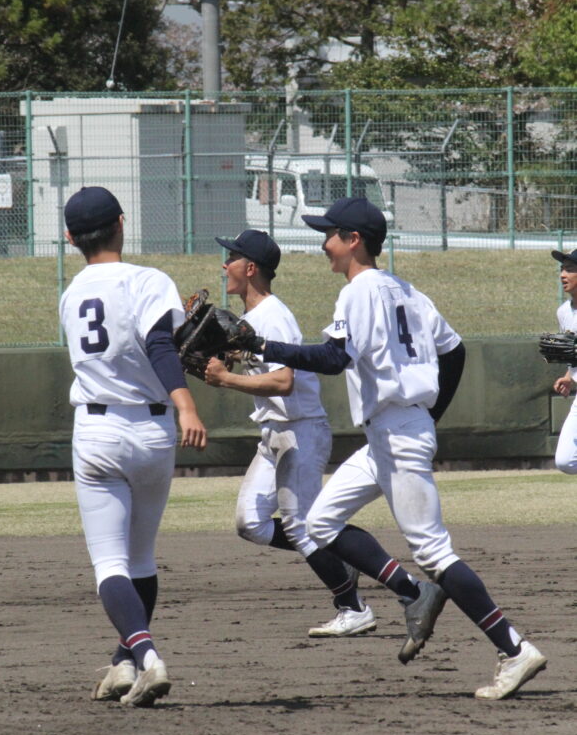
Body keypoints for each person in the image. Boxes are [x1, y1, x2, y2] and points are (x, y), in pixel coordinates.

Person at [239, 197, 547, 700]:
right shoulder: (408, 291)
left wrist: (261, 346)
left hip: (398, 433)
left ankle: (513, 649)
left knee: (433, 551)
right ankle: (416, 594)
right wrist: (430, 415)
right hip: (392, 432)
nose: (324, 243)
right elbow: (454, 350)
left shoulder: (358, 291)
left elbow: (333, 358)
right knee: (319, 523)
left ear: (354, 240)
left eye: (330, 234)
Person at [59, 186, 207, 708]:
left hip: (96, 432)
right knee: (140, 559)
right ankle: (126, 662)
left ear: (70, 237)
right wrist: (186, 405)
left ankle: (144, 657)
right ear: (122, 223)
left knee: (110, 564)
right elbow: (161, 343)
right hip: (152, 431)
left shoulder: (71, 294)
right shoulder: (148, 280)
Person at [203, 229, 376, 638]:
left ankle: (352, 606)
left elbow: (284, 382)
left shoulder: (273, 315)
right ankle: (337, 555)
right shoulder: (249, 319)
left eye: (231, 258)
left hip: (300, 432)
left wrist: (226, 379)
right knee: (251, 523)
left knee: (301, 526)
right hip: (274, 434)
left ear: (250, 268)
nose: (224, 265)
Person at [549, 247, 577, 474]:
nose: (563, 275)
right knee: (565, 460)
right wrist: (569, 377)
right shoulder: (564, 312)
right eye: (562, 269)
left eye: (569, 269)